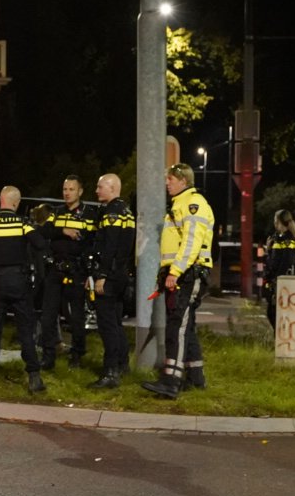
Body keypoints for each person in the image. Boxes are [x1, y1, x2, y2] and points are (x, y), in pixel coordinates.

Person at [141, 163, 214, 398]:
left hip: (188, 274)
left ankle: (171, 381)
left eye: (170, 179)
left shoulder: (192, 204)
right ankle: (195, 378)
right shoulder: (181, 204)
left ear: (183, 181)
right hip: (184, 273)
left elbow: (191, 243)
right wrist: (167, 274)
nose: (166, 183)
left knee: (177, 327)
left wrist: (175, 272)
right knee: (186, 326)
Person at [0, 185, 47, 394]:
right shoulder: (23, 223)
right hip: (19, 283)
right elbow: (40, 244)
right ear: (16, 203)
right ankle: (34, 378)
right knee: (25, 331)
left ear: (1, 201)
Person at [37, 175, 93, 370]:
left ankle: (77, 355)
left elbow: (92, 241)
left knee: (76, 316)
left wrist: (89, 271)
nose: (67, 193)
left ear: (80, 191)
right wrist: (63, 231)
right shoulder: (57, 212)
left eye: (71, 189)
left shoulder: (88, 214)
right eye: (65, 189)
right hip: (56, 270)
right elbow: (43, 231)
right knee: (48, 315)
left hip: (77, 270)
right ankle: (48, 356)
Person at [87, 173, 134, 388]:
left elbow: (110, 247)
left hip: (111, 275)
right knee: (116, 323)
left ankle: (110, 372)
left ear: (113, 188)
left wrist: (102, 275)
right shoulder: (126, 210)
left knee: (107, 325)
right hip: (121, 274)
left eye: (100, 187)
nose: (97, 190)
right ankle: (122, 366)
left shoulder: (112, 212)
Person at [261, 208, 295, 332]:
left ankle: (280, 339)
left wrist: (276, 278)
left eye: (275, 220)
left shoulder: (285, 240)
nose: (274, 223)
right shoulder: (284, 238)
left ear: (279, 222)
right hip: (282, 282)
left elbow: (280, 262)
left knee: (274, 314)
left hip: (281, 283)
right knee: (275, 313)